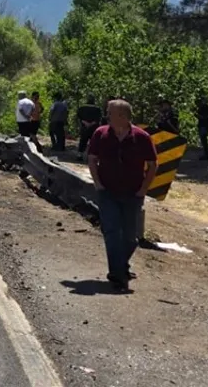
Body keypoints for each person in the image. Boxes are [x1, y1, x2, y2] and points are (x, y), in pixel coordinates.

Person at [87, 99, 158, 293]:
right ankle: (118, 275)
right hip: (107, 191)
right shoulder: (100, 134)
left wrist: (144, 189)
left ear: (123, 116)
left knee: (130, 237)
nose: (107, 115)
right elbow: (92, 159)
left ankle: (120, 267)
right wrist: (98, 183)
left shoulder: (142, 137)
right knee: (111, 232)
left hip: (133, 193)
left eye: (110, 112)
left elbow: (153, 164)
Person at [195, 96, 208, 161]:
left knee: (203, 138)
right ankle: (206, 154)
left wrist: (205, 117)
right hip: (201, 125)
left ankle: (206, 154)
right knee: (203, 140)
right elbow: (199, 116)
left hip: (207, 125)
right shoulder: (199, 109)